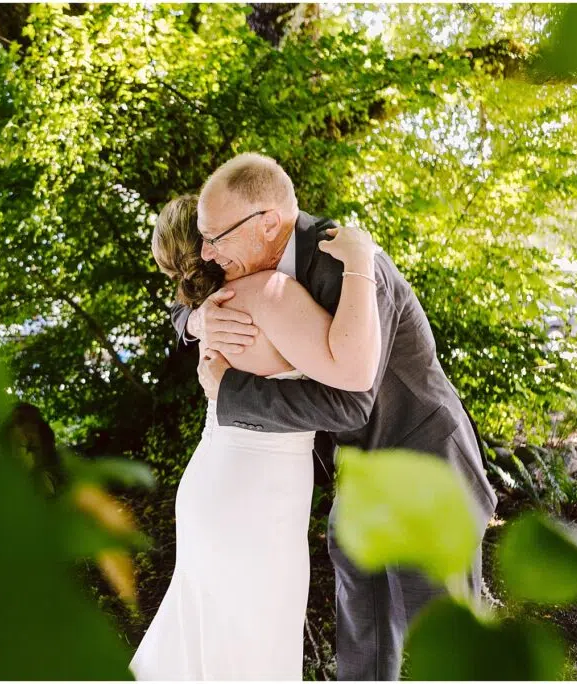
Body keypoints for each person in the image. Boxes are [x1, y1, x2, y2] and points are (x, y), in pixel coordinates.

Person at [174, 152, 497, 680]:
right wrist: (197, 320)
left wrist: (231, 393)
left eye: (216, 238)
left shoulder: (350, 265)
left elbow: (351, 402)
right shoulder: (250, 260)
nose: (207, 253)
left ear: (267, 224)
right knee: (363, 642)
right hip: (361, 478)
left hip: (428, 471)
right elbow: (189, 292)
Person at [129, 194, 381, 681]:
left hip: (218, 482)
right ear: (208, 245)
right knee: (253, 648)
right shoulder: (270, 292)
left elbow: (185, 317)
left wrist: (193, 318)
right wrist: (361, 263)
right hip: (255, 498)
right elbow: (352, 378)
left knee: (207, 640)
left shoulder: (211, 306)